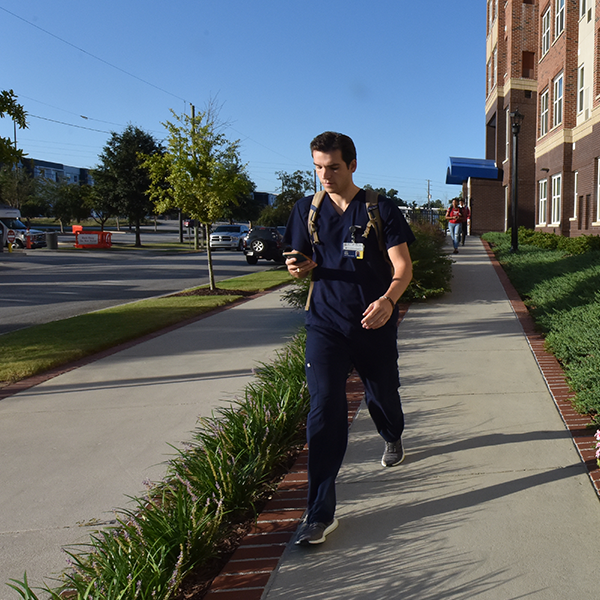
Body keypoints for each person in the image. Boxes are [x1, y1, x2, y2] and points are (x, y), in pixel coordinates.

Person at [283, 131, 415, 546]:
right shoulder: (307, 209)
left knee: (384, 396)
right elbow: (300, 258)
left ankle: (392, 433)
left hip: (372, 323)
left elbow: (402, 267)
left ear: (352, 165)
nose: (325, 175)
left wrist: (388, 302)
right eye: (319, 167)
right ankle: (319, 513)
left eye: (333, 167)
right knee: (324, 409)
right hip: (325, 324)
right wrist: (299, 267)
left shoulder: (380, 209)